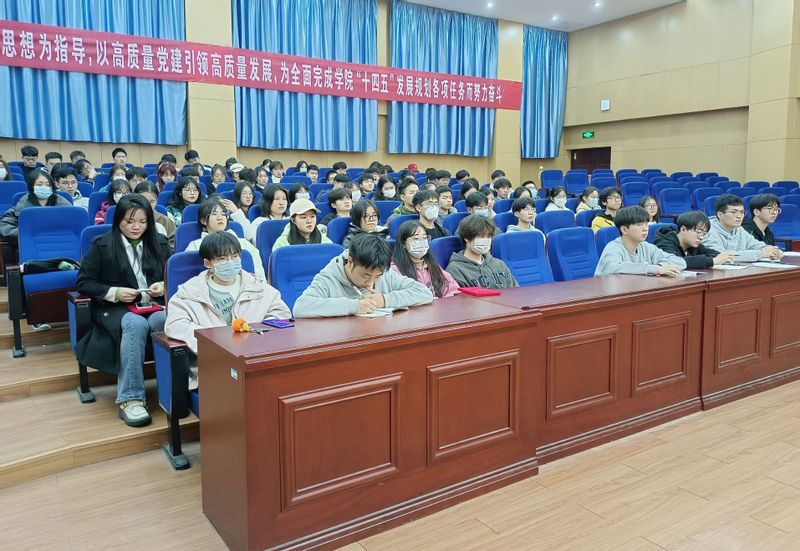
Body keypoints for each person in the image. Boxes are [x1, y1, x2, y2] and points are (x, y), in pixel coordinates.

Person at [76, 195, 171, 426]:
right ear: (118, 220)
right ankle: (131, 398)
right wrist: (115, 292)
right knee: (135, 324)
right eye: (129, 221)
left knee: (164, 319)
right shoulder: (103, 245)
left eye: (142, 221)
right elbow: (84, 283)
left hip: (153, 305)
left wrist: (163, 285)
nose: (136, 227)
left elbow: (174, 275)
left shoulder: (159, 242)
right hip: (115, 308)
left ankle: (172, 389)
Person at [165, 232, 291, 360]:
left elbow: (281, 313)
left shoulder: (257, 286)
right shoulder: (190, 292)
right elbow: (175, 324)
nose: (231, 262)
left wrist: (256, 335)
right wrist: (214, 340)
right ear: (208, 263)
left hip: (255, 355)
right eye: (222, 259)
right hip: (214, 360)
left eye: (235, 256)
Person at [293, 233, 433, 318]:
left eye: (377, 276)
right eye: (365, 275)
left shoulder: (384, 272)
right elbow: (301, 307)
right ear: (350, 262)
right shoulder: (328, 278)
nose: (371, 282)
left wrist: (385, 300)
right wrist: (355, 305)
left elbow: (424, 293)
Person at [185, 199, 266, 281]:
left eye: (223, 214)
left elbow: (259, 274)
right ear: (203, 220)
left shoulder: (243, 243)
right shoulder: (195, 245)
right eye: (214, 214)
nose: (220, 217)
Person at [595, 205, 686, 276]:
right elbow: (613, 268)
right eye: (639, 225)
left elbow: (680, 261)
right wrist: (655, 269)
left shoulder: (646, 247)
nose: (645, 229)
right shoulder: (613, 247)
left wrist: (661, 267)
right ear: (624, 230)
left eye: (646, 224)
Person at [391, 220, 459, 299]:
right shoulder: (394, 270)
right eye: (416, 238)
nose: (421, 242)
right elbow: (397, 299)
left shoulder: (432, 265)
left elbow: (453, 288)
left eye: (424, 238)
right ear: (403, 244)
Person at [447, 215, 518, 289]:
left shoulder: (499, 264)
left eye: (489, 237)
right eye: (481, 236)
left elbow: (515, 291)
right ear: (466, 238)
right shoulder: (456, 269)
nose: (486, 240)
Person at [704, 194, 783, 261]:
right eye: (734, 212)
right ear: (720, 214)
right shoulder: (706, 231)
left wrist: (773, 251)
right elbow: (720, 255)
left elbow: (755, 245)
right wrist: (760, 254)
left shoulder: (739, 229)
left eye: (742, 212)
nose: (739, 216)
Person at [0, 169, 71, 239]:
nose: (44, 187)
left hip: (58, 240)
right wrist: (26, 234)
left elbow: (73, 223)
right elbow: (4, 226)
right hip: (31, 242)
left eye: (48, 184)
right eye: (39, 184)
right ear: (31, 187)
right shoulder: (22, 205)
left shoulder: (62, 203)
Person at [653, 210, 735, 268]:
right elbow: (676, 262)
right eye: (699, 232)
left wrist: (724, 257)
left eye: (704, 234)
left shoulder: (693, 244)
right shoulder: (664, 243)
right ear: (683, 229)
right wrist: (713, 261)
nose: (701, 237)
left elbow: (711, 253)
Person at [134, 182, 176, 250]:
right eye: (143, 201)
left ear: (156, 201)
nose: (147, 205)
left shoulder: (165, 221)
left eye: (151, 202)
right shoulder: (128, 220)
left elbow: (173, 244)